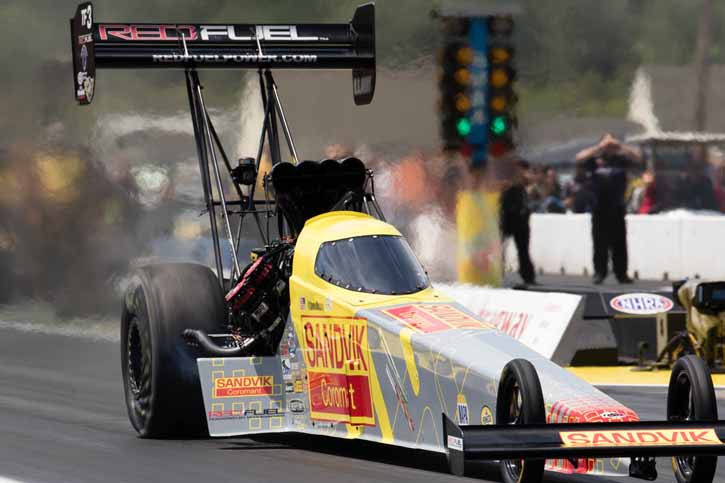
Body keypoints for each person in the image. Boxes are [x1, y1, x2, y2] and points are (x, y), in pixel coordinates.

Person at [575, 134, 642, 284]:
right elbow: (579, 158)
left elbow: (638, 157)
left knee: (619, 242)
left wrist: (619, 146)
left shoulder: (620, 159)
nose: (609, 146)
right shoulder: (595, 160)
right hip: (599, 206)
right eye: (607, 143)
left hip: (617, 206)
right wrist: (600, 147)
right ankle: (600, 272)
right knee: (599, 242)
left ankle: (621, 273)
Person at [500, 159, 536, 285]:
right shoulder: (506, 179)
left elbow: (530, 179)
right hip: (505, 216)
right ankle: (498, 274)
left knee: (523, 249)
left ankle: (528, 276)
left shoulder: (522, 180)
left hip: (521, 218)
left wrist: (520, 176)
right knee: (499, 248)